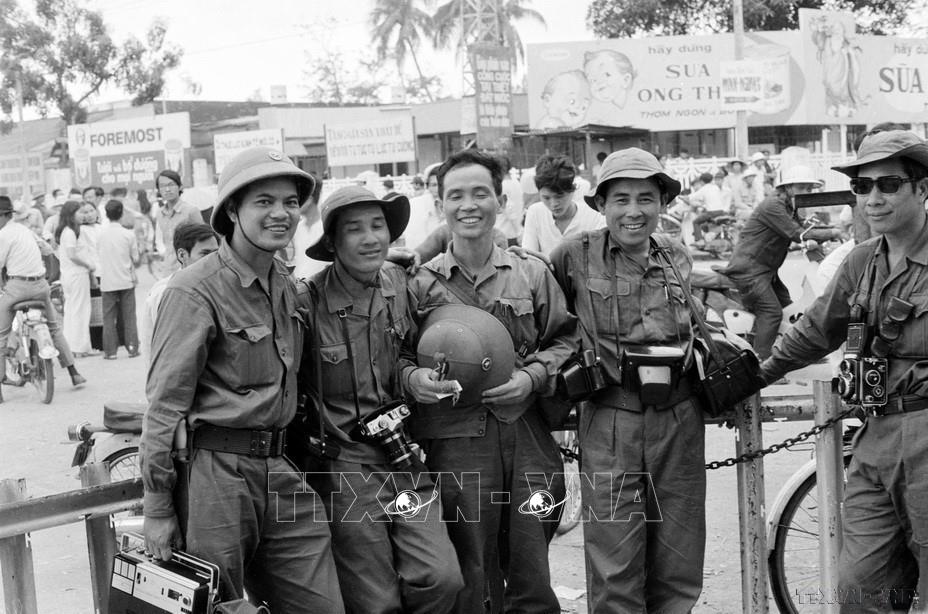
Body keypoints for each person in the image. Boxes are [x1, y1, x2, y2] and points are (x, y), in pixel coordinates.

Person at [141, 147, 344, 611]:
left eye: (290, 202)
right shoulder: (194, 290)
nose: (281, 213)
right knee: (221, 605)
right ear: (232, 210)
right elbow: (164, 406)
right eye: (263, 202)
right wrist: (158, 507)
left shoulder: (286, 284)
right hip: (216, 478)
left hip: (280, 469)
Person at [760, 130, 928, 612]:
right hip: (875, 439)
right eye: (862, 186)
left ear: (922, 188)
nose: (873, 198)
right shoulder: (860, 261)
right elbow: (815, 331)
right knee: (861, 589)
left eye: (889, 185)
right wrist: (756, 377)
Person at [404, 149, 577, 614]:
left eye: (480, 193)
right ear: (440, 205)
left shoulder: (530, 272)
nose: (469, 205)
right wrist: (414, 376)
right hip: (455, 441)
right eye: (456, 195)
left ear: (500, 201)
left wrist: (532, 377)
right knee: (471, 570)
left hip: (526, 435)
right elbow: (396, 355)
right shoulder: (419, 286)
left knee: (531, 566)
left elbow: (566, 340)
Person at [549, 147, 706, 613]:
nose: (633, 211)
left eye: (645, 198)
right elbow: (549, 321)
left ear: (662, 203)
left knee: (678, 562)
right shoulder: (573, 255)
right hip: (610, 421)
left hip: (678, 421)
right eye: (621, 199)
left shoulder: (677, 255)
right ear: (601, 204)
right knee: (614, 564)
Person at [299, 185, 463, 613]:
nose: (371, 238)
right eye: (355, 229)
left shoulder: (400, 282)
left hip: (403, 459)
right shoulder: (306, 302)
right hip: (345, 469)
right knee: (375, 600)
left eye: (378, 226)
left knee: (441, 577)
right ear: (332, 242)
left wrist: (416, 377)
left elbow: (411, 350)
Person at [721, 165, 843, 360]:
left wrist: (828, 231)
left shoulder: (790, 207)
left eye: (809, 188)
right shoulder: (773, 205)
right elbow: (796, 233)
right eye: (802, 188)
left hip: (766, 271)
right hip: (751, 270)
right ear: (788, 187)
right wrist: (833, 232)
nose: (806, 192)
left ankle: (798, 353)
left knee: (790, 310)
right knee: (772, 312)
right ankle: (761, 363)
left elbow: (801, 230)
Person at [0, 196, 86, 388]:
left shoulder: (3, 235)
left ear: (2, 216)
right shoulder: (25, 230)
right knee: (54, 328)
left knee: (2, 334)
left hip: (17, 288)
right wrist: (47, 275)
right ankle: (74, 372)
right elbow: (47, 250)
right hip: (40, 287)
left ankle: (1, 379)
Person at [144, 223, 218, 344]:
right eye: (205, 254)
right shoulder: (164, 292)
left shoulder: (220, 287)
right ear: (182, 255)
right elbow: (152, 342)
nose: (212, 259)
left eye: (215, 253)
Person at [522, 154, 605, 255]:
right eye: (546, 198)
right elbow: (528, 255)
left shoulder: (594, 216)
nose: (553, 204)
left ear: (572, 190)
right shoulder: (535, 212)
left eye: (559, 196)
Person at [96, 199, 140, 359]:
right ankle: (132, 348)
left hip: (107, 281)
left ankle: (110, 352)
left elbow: (97, 255)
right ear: (121, 213)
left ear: (106, 214)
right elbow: (136, 259)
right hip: (126, 280)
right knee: (129, 316)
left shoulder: (100, 235)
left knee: (108, 318)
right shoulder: (128, 234)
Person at [55, 202, 95, 356]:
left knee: (72, 310)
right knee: (80, 310)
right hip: (77, 275)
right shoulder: (70, 232)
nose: (83, 216)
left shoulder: (66, 232)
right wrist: (88, 265)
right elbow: (72, 255)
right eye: (80, 212)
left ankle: (73, 346)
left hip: (69, 275)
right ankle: (79, 347)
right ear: (71, 215)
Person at [153, 169, 201, 275]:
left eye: (171, 185)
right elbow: (160, 239)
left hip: (188, 269)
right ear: (159, 190)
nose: (167, 189)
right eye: (163, 186)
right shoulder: (160, 213)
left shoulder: (191, 211)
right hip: (168, 269)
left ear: (180, 187)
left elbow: (202, 241)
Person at [495, 156, 524, 246]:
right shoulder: (516, 183)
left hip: (506, 233)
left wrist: (518, 230)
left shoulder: (502, 186)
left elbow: (509, 209)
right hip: (515, 232)